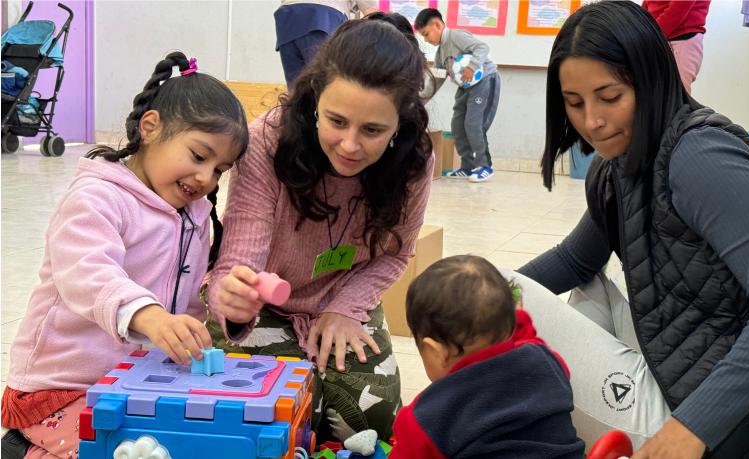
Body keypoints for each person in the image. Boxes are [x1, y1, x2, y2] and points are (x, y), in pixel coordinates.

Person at [511, 2, 749, 458]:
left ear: (650, 80)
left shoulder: (699, 156)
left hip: (734, 421)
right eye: (575, 103)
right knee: (499, 290)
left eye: (609, 98)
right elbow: (576, 260)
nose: (591, 121)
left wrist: (691, 428)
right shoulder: (618, 167)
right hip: (686, 364)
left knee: (489, 296)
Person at [1, 51, 249, 459]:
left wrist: (221, 316)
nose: (206, 177)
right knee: (128, 449)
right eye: (199, 156)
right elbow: (88, 271)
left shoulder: (194, 216)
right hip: (64, 386)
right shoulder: (98, 196)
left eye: (220, 169)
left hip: (138, 381)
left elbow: (186, 305)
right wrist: (147, 315)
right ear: (151, 128)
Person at [203, 20, 434, 443]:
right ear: (314, 103)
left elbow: (395, 253)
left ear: (399, 125)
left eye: (372, 130)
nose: (349, 145)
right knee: (271, 413)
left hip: (343, 290)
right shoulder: (268, 141)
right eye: (336, 121)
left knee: (371, 417)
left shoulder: (414, 160)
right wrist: (233, 301)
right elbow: (238, 263)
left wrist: (346, 307)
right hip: (267, 303)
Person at [388, 255, 584, 458]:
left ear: (434, 351)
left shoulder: (424, 418)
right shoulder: (545, 359)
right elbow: (529, 339)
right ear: (512, 322)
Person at [414, 8, 500, 183]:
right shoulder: (440, 53)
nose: (425, 40)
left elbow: (482, 47)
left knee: (473, 123)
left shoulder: (456, 36)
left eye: (426, 34)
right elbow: (436, 80)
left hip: (484, 80)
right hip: (465, 87)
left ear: (437, 25)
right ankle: (467, 167)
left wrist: (473, 66)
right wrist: (420, 101)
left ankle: (485, 166)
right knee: (457, 124)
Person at [275, 0, 378, 86]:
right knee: (326, 83)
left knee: (295, 89)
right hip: (323, 17)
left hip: (287, 16)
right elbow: (371, 12)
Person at [642, 0, 711, 94]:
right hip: (657, 38)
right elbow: (647, 5)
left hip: (681, 39)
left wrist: (648, 36)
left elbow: (677, 11)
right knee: (654, 93)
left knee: (676, 94)